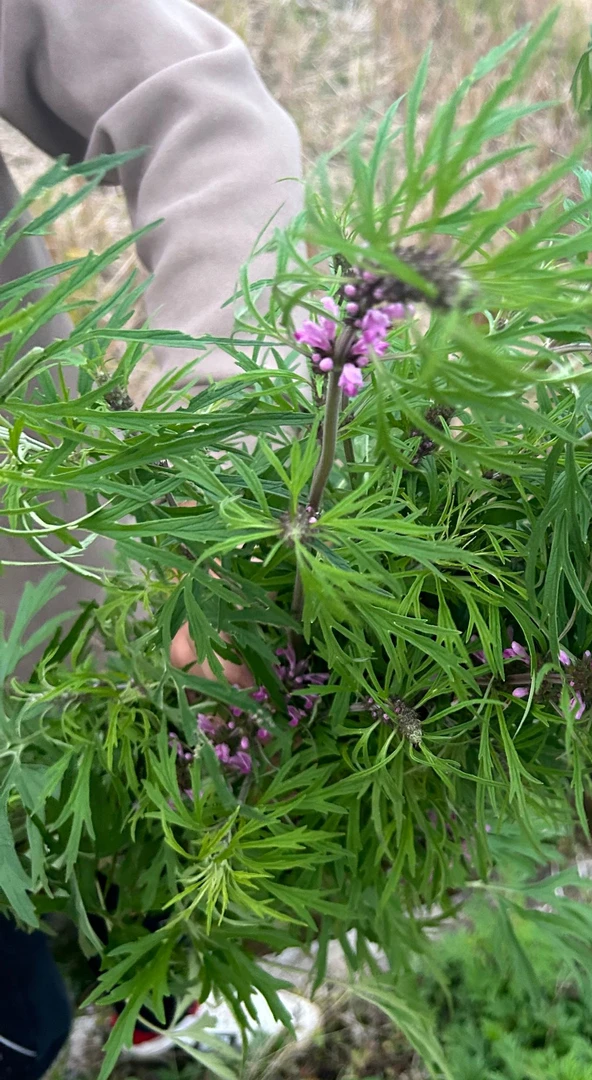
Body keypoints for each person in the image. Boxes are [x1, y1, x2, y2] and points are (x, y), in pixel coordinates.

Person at [0, 2, 307, 1076]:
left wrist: (206, 456)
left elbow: (206, 117)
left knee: (125, 848)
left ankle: (155, 1012)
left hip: (46, 603)